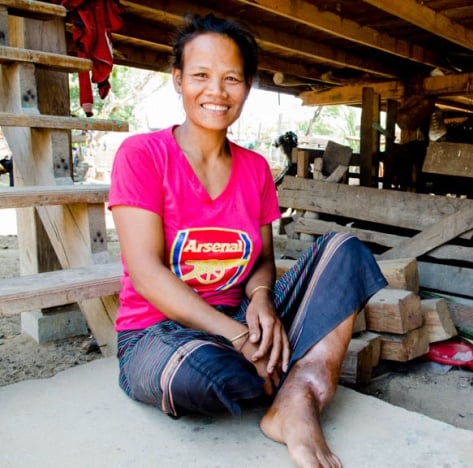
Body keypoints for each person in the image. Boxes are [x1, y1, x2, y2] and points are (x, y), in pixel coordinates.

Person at [107, 13, 387, 468]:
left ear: (248, 85)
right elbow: (146, 272)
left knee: (346, 253)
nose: (216, 92)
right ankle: (278, 365)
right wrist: (236, 335)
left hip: (239, 318)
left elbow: (262, 259)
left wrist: (260, 301)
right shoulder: (142, 156)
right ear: (177, 79)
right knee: (207, 377)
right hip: (157, 334)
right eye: (200, 75)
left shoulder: (255, 168)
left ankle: (299, 394)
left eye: (231, 78)